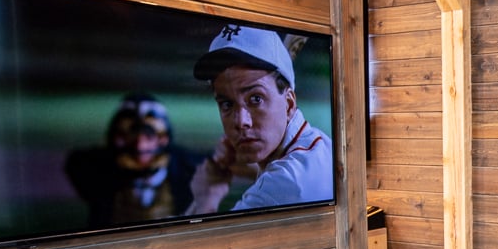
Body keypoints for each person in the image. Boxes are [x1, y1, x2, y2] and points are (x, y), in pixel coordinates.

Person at [186, 24, 333, 214]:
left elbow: (209, 243)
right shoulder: (317, 147)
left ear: (288, 104)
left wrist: (206, 197)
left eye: (256, 99)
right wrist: (254, 167)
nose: (241, 122)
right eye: (227, 104)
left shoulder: (281, 186)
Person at [65, 92, 199, 227]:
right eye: (131, 136)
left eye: (148, 136)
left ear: (162, 139)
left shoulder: (184, 169)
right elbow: (78, 163)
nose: (140, 145)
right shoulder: (99, 170)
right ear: (119, 138)